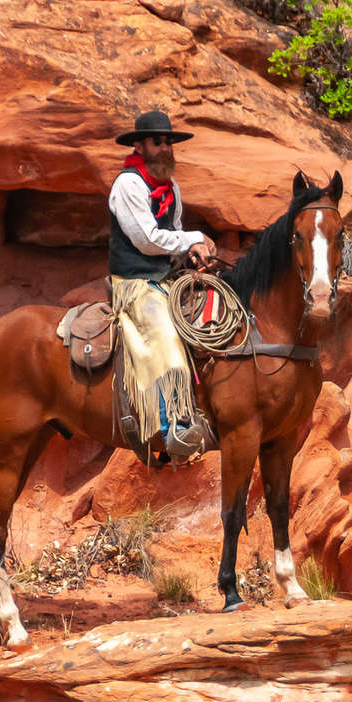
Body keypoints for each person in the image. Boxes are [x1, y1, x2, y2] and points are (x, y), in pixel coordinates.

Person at [107, 110, 215, 463]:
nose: (166, 148)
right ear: (139, 146)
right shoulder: (128, 185)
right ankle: (175, 429)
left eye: (169, 142)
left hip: (166, 278)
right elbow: (148, 240)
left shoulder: (171, 188)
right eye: (158, 142)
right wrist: (195, 238)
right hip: (135, 284)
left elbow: (174, 236)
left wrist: (192, 255)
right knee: (165, 333)